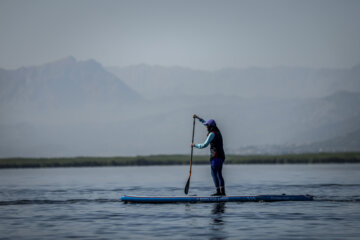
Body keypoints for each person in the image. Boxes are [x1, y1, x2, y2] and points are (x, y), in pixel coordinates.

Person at [191, 114, 226, 196]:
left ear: (210, 126)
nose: (206, 127)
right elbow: (204, 123)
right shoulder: (218, 132)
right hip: (221, 157)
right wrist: (198, 118)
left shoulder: (212, 134)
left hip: (215, 157)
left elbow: (204, 145)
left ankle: (218, 192)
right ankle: (222, 192)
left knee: (214, 174)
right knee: (219, 174)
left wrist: (194, 145)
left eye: (207, 126)